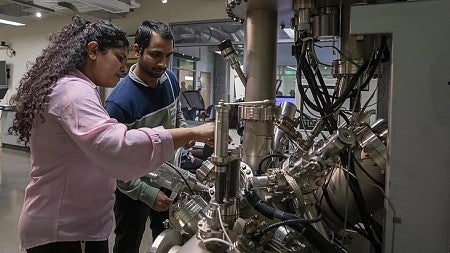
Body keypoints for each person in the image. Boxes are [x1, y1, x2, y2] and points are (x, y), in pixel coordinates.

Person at [8, 16, 215, 253]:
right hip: (65, 231)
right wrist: (192, 133)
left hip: (79, 226)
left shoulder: (78, 86)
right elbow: (119, 149)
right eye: (118, 58)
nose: (123, 67)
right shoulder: (74, 93)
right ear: (93, 50)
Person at [104, 19, 194, 253]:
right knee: (128, 242)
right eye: (155, 55)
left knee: (166, 238)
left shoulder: (171, 80)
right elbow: (114, 164)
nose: (163, 63)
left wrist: (187, 138)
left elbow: (178, 118)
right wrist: (147, 193)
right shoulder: (119, 102)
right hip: (134, 188)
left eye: (168, 55)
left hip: (169, 180)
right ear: (137, 50)